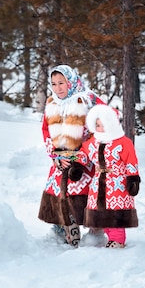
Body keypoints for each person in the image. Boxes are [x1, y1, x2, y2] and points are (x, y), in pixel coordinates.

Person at [37, 64, 104, 247]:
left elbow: (101, 129)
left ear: (71, 81)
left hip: (86, 160)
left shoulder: (88, 100)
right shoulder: (52, 104)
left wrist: (83, 153)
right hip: (61, 159)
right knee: (58, 191)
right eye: (54, 84)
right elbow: (46, 130)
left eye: (61, 83)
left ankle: (96, 231)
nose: (58, 88)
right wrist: (55, 154)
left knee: (88, 193)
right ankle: (64, 228)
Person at [74, 104, 141, 248]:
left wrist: (133, 178)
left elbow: (131, 160)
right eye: (97, 125)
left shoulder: (123, 142)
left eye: (103, 124)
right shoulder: (93, 142)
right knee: (100, 211)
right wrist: (78, 166)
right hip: (98, 182)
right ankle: (105, 235)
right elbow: (83, 153)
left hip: (117, 183)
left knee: (115, 212)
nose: (100, 128)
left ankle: (117, 240)